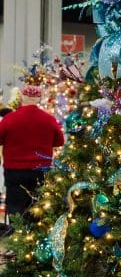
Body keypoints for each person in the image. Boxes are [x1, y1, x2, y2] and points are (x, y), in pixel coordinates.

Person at [0, 85, 65, 222]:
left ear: (22, 98)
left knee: (15, 204)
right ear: (38, 99)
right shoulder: (49, 119)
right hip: (40, 170)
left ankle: (15, 236)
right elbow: (59, 141)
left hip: (14, 170)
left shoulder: (10, 118)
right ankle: (34, 236)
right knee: (37, 204)